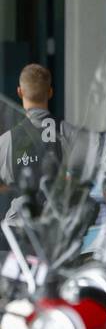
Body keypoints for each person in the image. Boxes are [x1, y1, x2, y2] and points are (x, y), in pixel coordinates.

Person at [0, 64, 64, 224]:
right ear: (50, 92)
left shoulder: (7, 140)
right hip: (58, 230)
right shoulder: (67, 134)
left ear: (20, 92)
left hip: (19, 231)